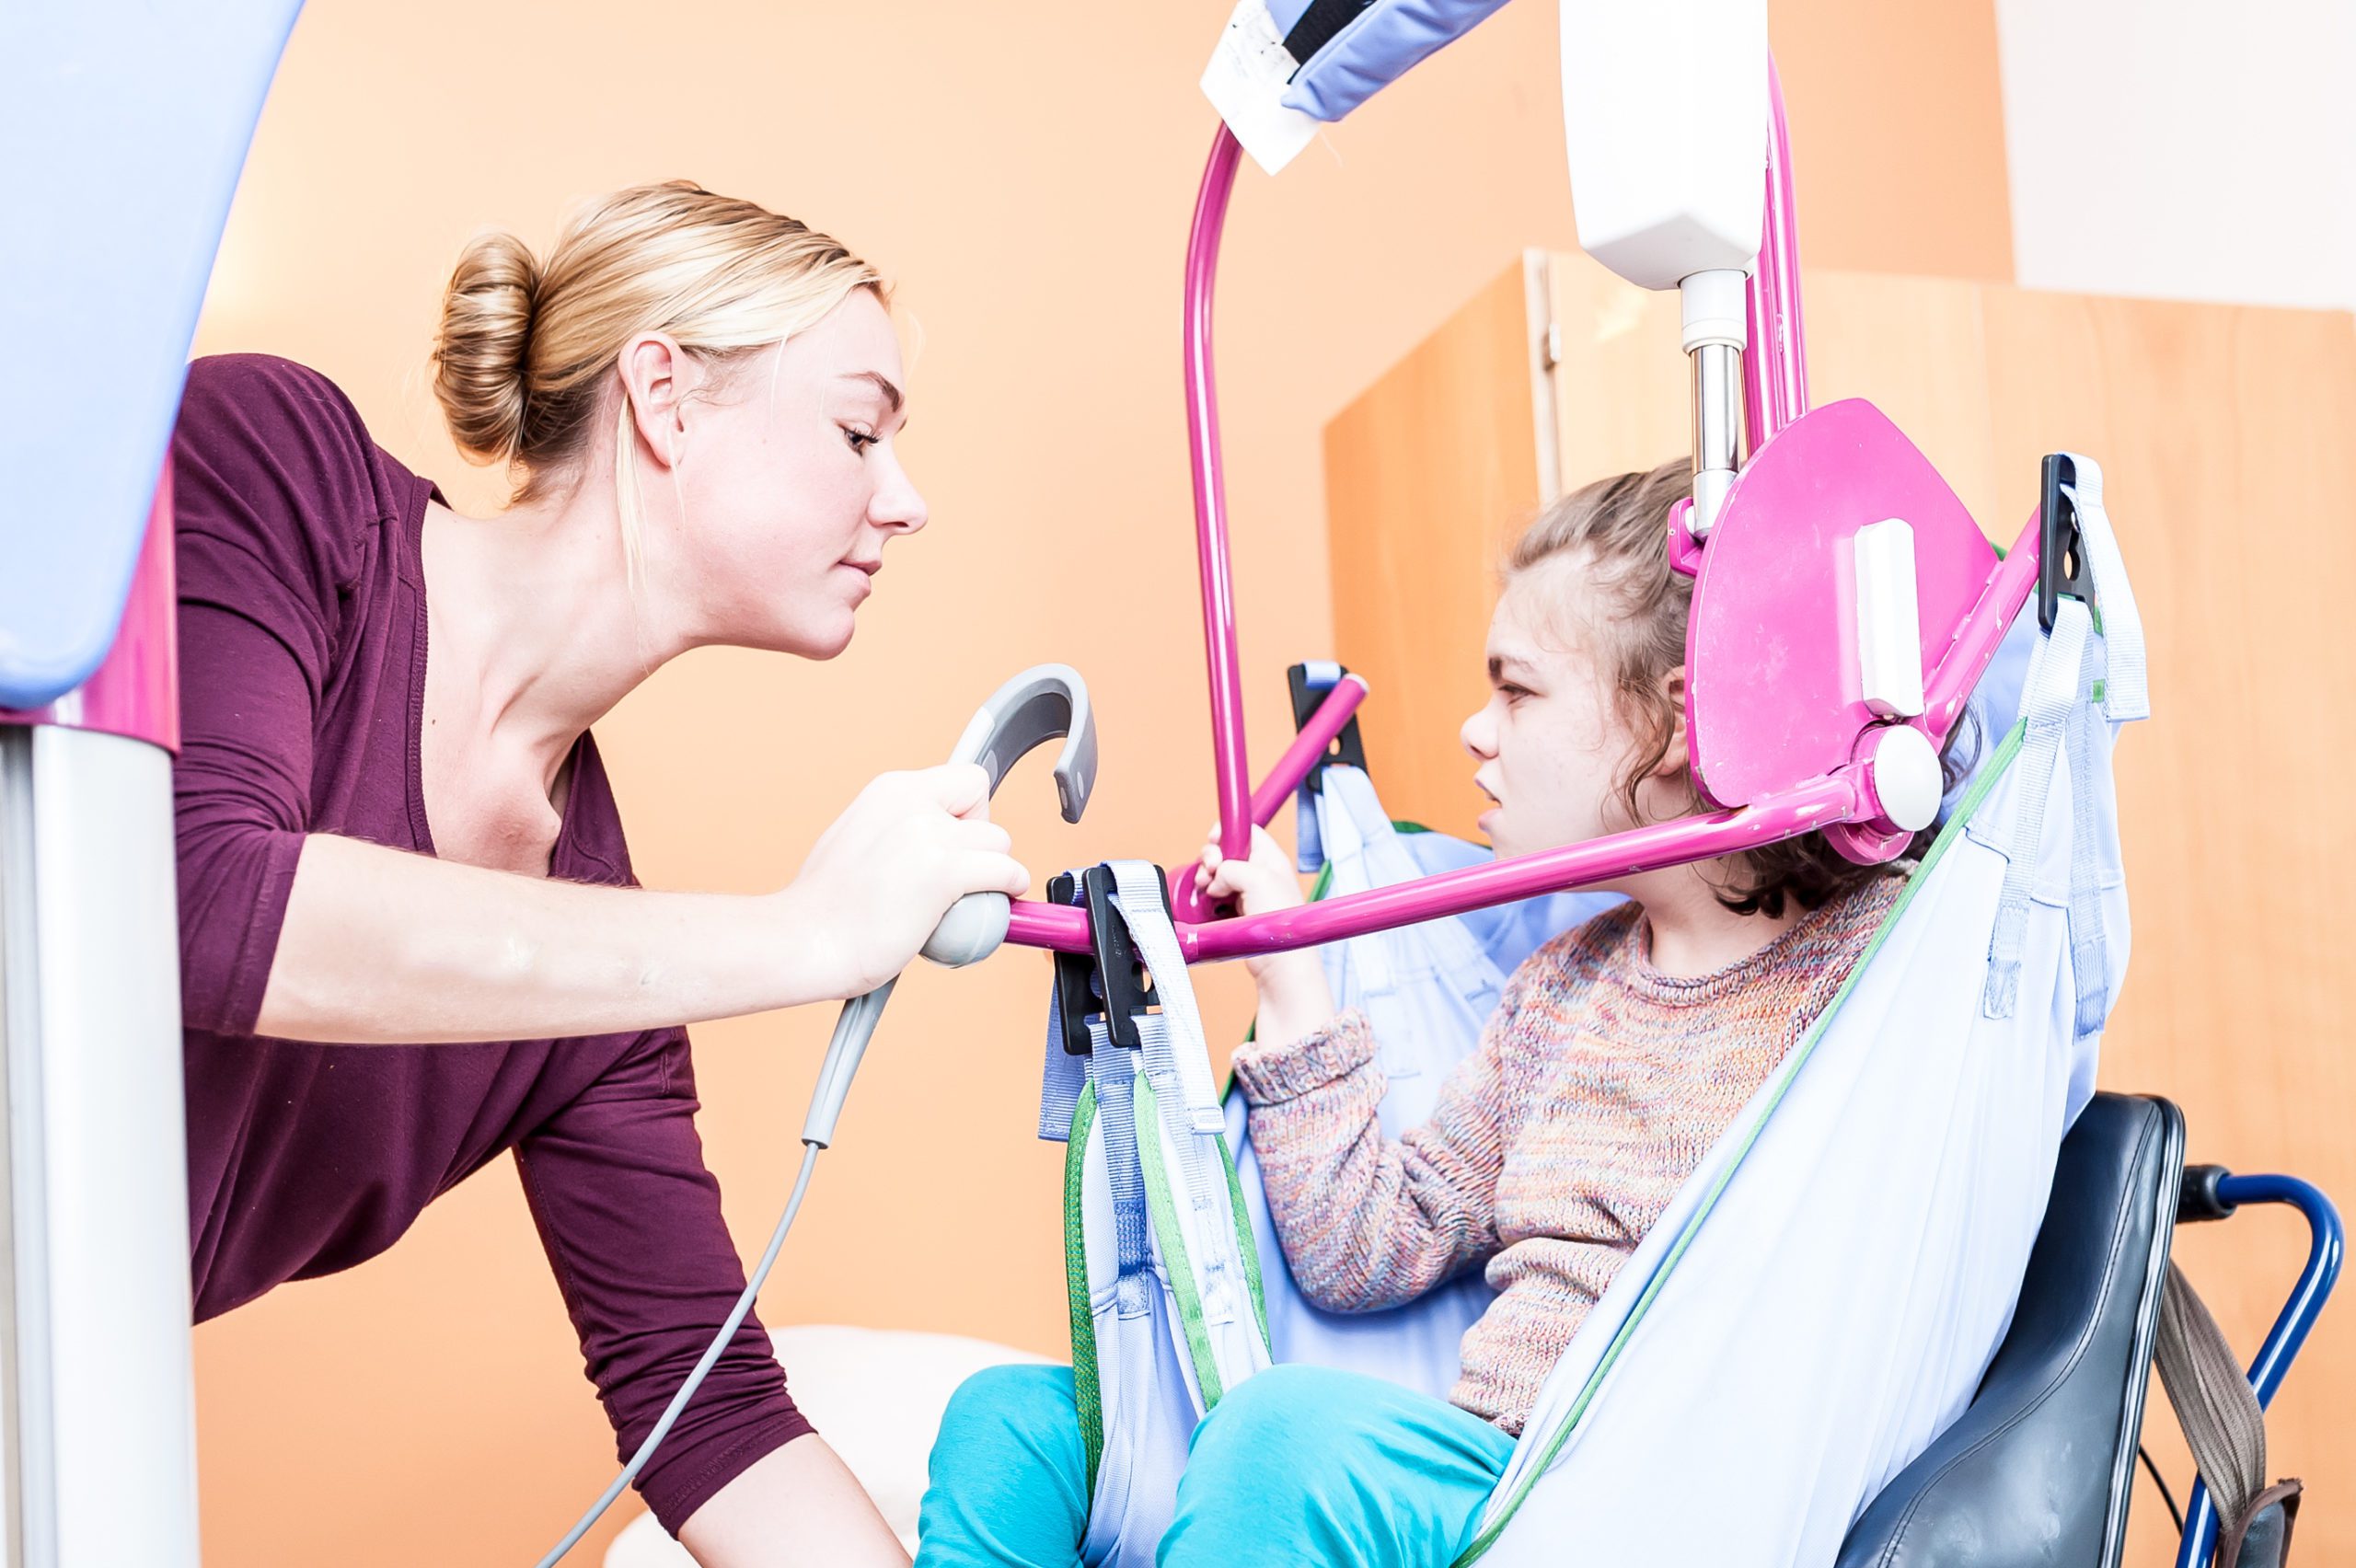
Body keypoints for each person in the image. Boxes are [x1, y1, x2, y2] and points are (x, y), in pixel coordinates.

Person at [174, 180, 1022, 1567]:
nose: (907, 500)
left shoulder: (605, 973)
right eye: (859, 429)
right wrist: (806, 938)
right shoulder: (280, 465)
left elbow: (711, 1414)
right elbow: (212, 907)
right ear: (666, 398)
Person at [915, 460, 1948, 1567]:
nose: (1474, 730)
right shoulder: (1561, 989)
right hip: (1491, 1478)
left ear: (1681, 723)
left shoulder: (1881, 965)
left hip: (1645, 1488)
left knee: (1280, 1440)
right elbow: (1366, 1251)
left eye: (1518, 690)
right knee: (1008, 1423)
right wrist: (1292, 981)